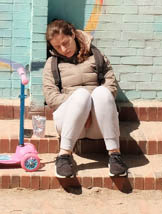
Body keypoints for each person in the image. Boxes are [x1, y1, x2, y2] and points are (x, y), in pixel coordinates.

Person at [42, 18, 127, 178]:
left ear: (73, 34)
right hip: (69, 122)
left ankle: (115, 156)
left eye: (65, 43)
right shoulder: (52, 64)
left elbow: (111, 86)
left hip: (98, 123)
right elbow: (51, 97)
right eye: (57, 46)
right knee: (81, 95)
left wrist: (91, 107)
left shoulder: (96, 56)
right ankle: (64, 156)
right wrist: (81, 105)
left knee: (102, 92)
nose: (63, 49)